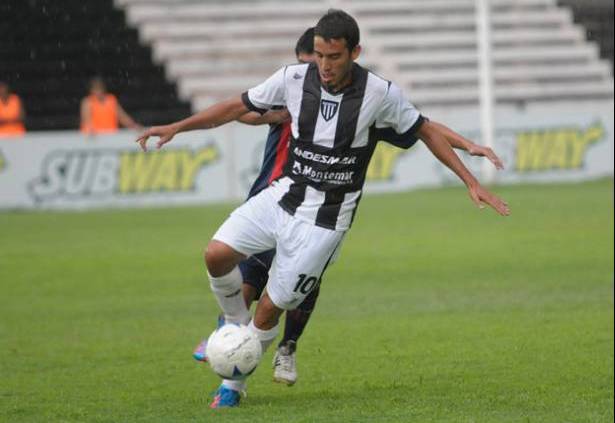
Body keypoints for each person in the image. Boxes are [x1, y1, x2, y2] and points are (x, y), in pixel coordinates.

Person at [136, 9, 509, 408]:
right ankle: (232, 324)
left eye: (334, 57)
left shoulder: (379, 94)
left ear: (355, 52)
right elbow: (236, 106)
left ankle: (233, 386)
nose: (325, 65)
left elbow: (425, 129)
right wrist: (177, 126)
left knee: (269, 311)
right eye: (319, 55)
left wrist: (470, 179)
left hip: (325, 222)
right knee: (215, 255)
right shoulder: (292, 79)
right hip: (283, 195)